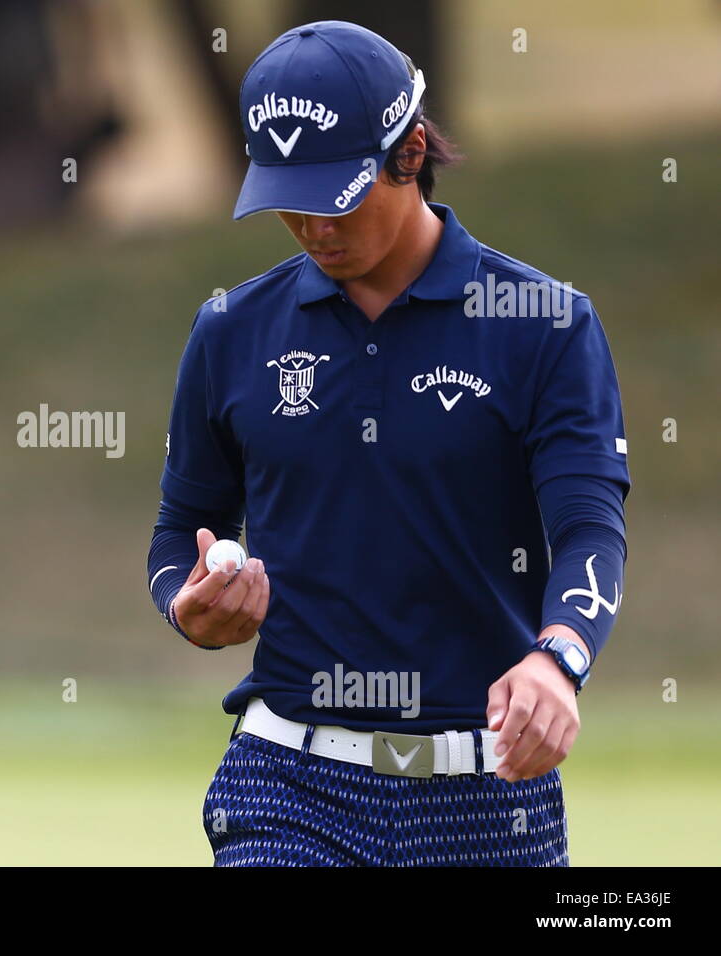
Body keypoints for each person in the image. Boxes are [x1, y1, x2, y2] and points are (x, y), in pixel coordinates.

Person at [145, 21, 630, 866]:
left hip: (489, 800)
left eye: (334, 194)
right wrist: (187, 611)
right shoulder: (230, 331)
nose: (309, 225)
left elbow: (588, 526)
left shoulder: (545, 325)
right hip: (287, 782)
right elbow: (179, 525)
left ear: (408, 153)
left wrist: (560, 659)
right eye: (286, 197)